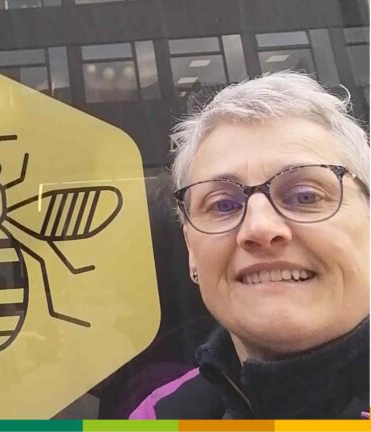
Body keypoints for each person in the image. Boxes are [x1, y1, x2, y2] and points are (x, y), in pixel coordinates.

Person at [131, 71, 369, 419]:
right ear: (191, 251)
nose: (258, 228)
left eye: (305, 196)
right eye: (223, 205)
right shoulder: (159, 415)